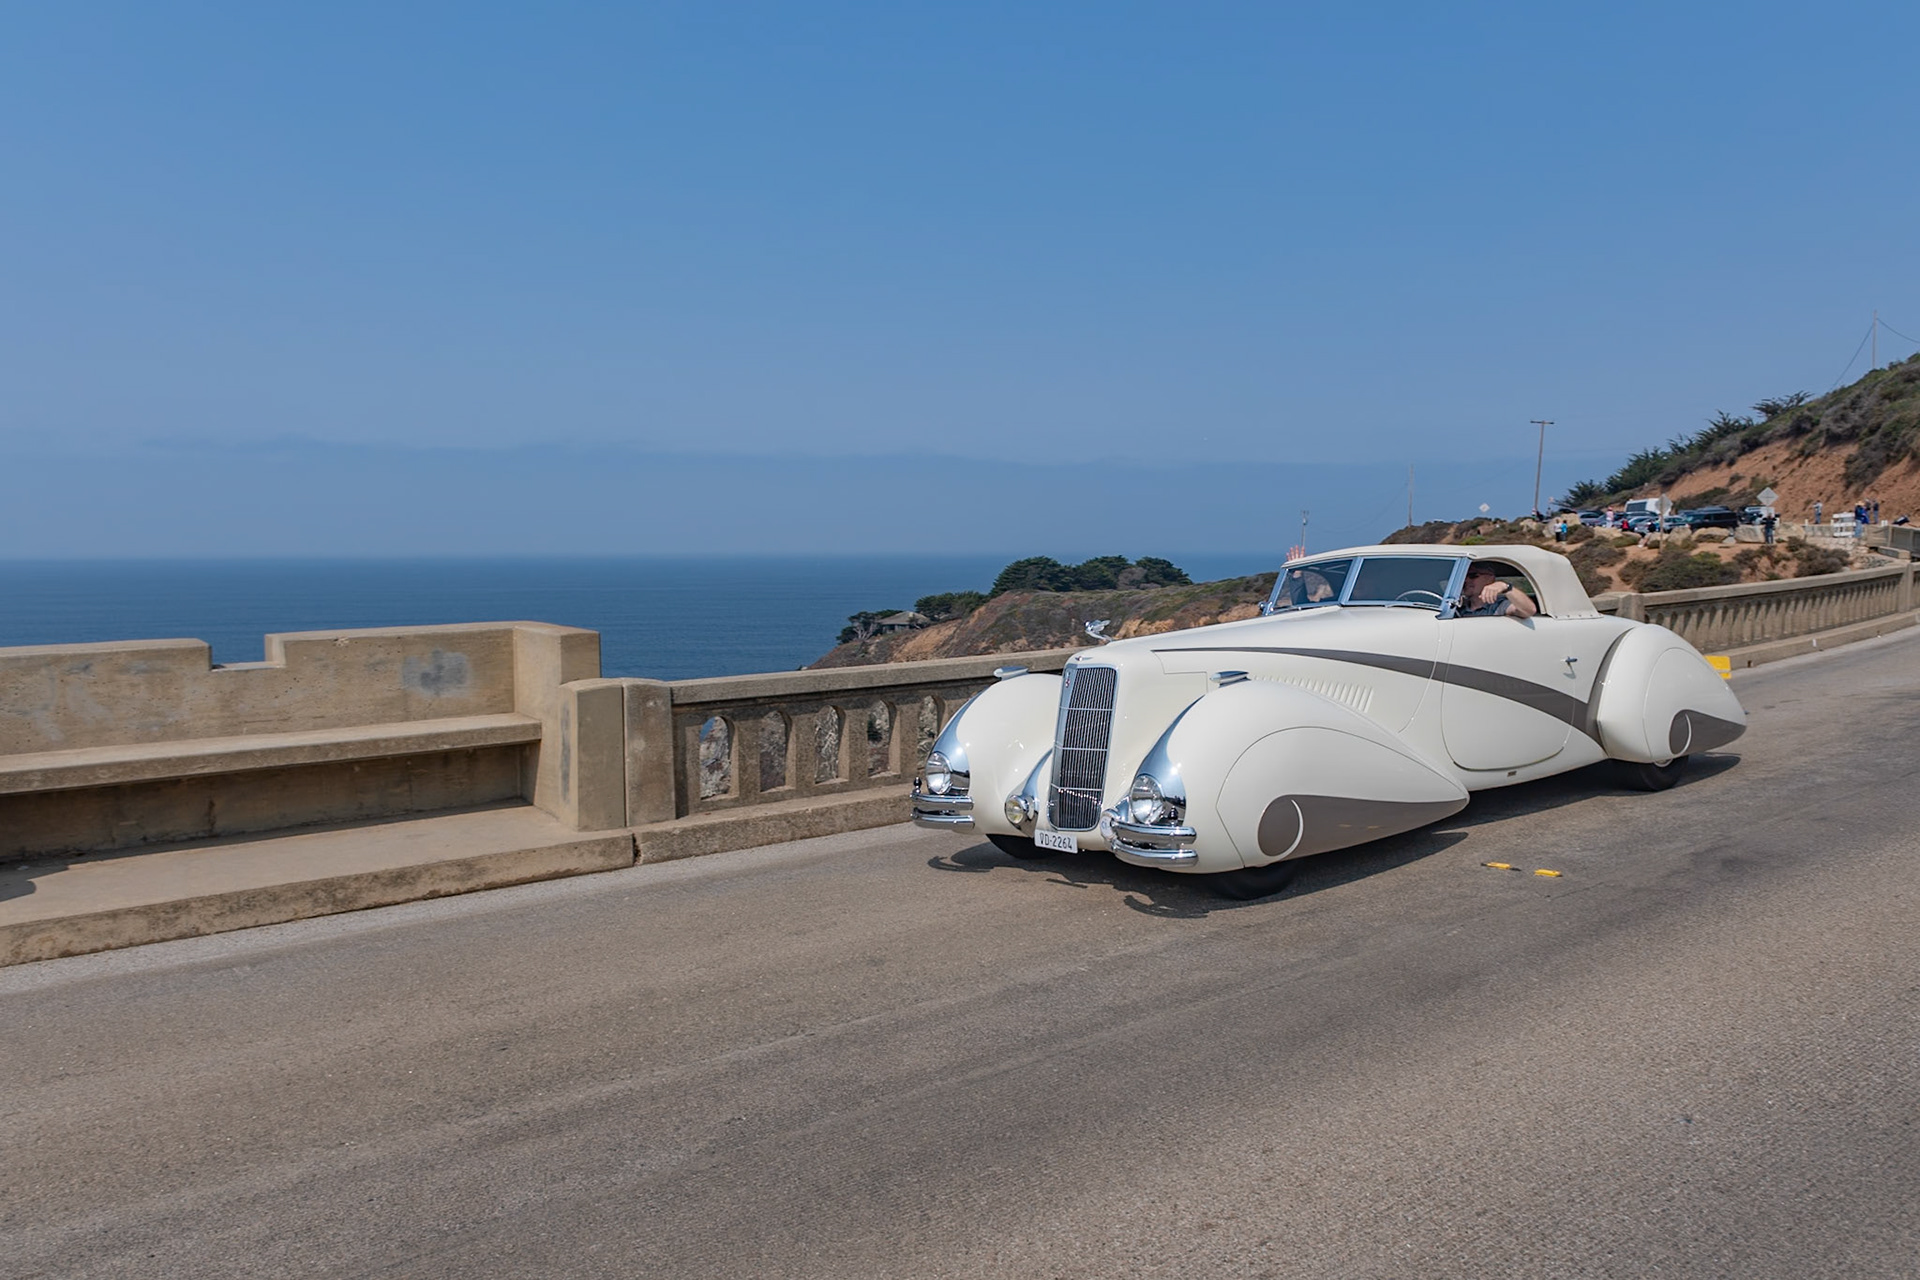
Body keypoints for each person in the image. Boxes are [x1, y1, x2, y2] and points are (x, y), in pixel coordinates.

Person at [1456, 561, 1537, 619]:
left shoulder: (1499, 605)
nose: (1466, 580)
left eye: (1473, 575)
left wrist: (1506, 587)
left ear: (1489, 578)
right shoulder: (1457, 608)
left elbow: (1529, 610)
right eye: (1463, 577)